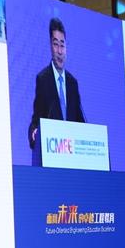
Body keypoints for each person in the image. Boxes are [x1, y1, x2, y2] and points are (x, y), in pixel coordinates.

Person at [28, 17, 85, 150]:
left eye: (62, 45)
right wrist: (34, 132)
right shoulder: (43, 79)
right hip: (53, 149)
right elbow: (36, 119)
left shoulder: (72, 83)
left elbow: (80, 121)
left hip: (73, 151)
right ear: (50, 46)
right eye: (55, 44)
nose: (59, 51)